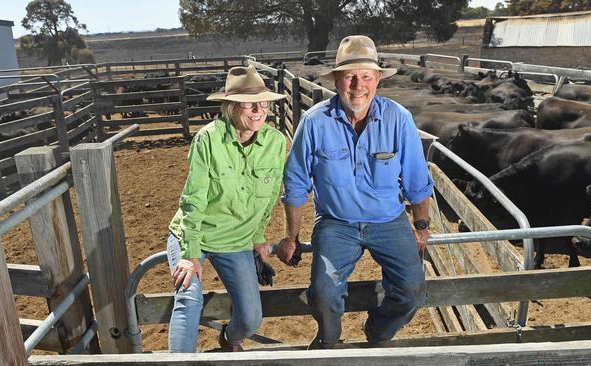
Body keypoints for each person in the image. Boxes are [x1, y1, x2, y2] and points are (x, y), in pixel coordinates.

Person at [278, 35, 433, 349]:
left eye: (366, 76)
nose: (357, 85)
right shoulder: (314, 122)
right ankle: (329, 338)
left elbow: (417, 179)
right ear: (337, 80)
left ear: (377, 80)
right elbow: (295, 183)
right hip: (337, 224)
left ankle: (377, 331)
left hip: (389, 221)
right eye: (349, 76)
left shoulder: (399, 119)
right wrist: (292, 236)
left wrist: (421, 226)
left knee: (413, 290)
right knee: (323, 291)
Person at [167, 65, 286, 353]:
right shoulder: (208, 139)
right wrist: (190, 254)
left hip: (236, 240)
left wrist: (258, 235)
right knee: (188, 298)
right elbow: (193, 198)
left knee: (250, 318)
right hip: (195, 233)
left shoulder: (276, 142)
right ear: (230, 106)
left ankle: (229, 338)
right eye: (248, 103)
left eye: (264, 103)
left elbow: (269, 196)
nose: (258, 110)